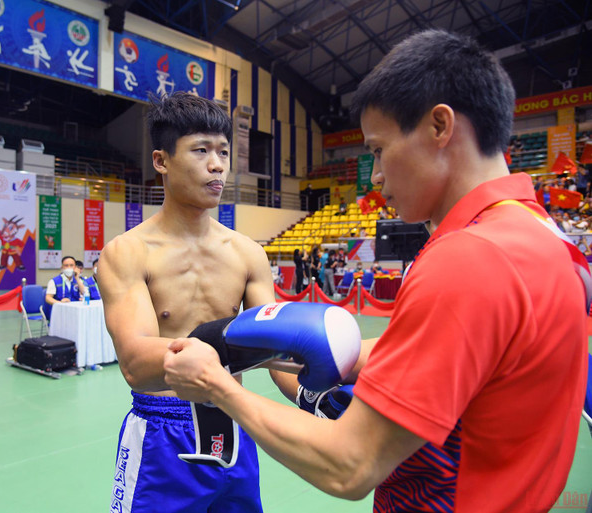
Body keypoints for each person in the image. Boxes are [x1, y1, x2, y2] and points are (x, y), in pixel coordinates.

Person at [162, 29, 588, 512]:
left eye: (379, 150)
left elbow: (350, 465)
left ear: (439, 127)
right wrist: (313, 352)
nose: (377, 176)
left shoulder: (469, 260)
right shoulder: (543, 234)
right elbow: (475, 354)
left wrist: (217, 388)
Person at [97, 92, 275, 512]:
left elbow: (275, 347)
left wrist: (319, 387)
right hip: (164, 432)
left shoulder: (249, 253)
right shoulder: (128, 253)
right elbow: (136, 365)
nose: (217, 165)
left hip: (236, 422)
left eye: (224, 152)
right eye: (201, 150)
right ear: (161, 161)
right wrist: (228, 344)